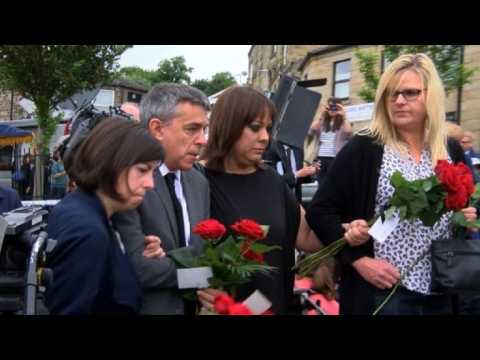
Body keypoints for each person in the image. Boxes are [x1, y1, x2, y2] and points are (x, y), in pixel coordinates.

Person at [306, 53, 477, 315]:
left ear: (430, 96)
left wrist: (464, 216)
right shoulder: (365, 147)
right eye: (391, 94)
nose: (398, 101)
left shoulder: (449, 149)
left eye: (410, 93)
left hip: (441, 288)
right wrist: (359, 261)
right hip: (384, 291)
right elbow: (320, 211)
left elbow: (460, 209)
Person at [197, 86, 323, 315]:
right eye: (255, 128)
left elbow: (306, 237)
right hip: (225, 310)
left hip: (271, 307)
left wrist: (349, 226)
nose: (265, 137)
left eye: (267, 128)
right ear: (228, 126)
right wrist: (201, 288)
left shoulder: (272, 181)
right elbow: (179, 260)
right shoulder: (197, 181)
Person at [45, 118, 165, 314]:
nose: (150, 184)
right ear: (109, 164)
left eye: (153, 171)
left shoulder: (84, 210)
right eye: (142, 170)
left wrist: (124, 259)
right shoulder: (88, 232)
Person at [113, 83, 211, 315]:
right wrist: (201, 274)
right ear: (157, 129)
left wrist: (170, 264)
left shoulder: (199, 183)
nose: (202, 140)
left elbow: (205, 254)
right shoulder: (131, 182)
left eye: (204, 130)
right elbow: (140, 269)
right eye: (192, 129)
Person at [305, 97, 352, 187]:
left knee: (334, 185)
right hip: (321, 159)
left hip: (335, 158)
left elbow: (348, 131)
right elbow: (311, 130)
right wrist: (322, 115)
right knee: (321, 184)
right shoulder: (322, 122)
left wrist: (343, 114)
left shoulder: (342, 123)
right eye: (330, 106)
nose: (332, 109)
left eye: (335, 107)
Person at [263, 138, 320, 203]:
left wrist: (310, 171)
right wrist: (298, 174)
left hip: (295, 199)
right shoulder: (271, 152)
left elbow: (299, 179)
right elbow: (274, 181)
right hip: (278, 200)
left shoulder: (298, 151)